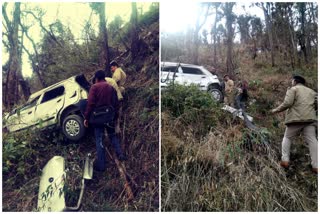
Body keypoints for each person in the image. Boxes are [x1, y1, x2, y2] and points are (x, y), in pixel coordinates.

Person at [271, 75, 318, 173]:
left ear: (295, 81)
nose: (291, 82)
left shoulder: (293, 89)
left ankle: (285, 161)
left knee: (287, 138)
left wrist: (275, 110)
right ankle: (316, 166)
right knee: (312, 140)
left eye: (292, 80)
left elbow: (287, 103)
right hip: (310, 119)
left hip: (295, 119)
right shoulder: (312, 92)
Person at [84, 70, 125, 172]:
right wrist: (114, 116)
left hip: (98, 119)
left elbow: (90, 104)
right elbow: (116, 104)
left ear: (96, 78)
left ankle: (101, 166)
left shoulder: (94, 87)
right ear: (104, 78)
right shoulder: (111, 88)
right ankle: (120, 154)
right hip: (109, 117)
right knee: (112, 136)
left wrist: (86, 118)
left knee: (99, 140)